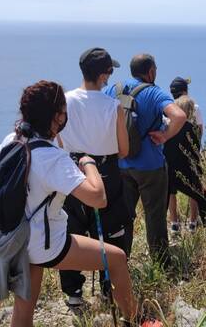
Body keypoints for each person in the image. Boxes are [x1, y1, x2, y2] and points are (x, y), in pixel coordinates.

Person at [0, 80, 138, 326]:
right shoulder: (52, 159)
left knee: (24, 309)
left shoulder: (14, 140)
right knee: (116, 258)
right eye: (63, 112)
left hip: (15, 237)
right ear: (56, 117)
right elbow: (98, 198)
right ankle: (134, 319)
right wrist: (88, 164)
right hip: (45, 244)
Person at [55, 47, 131, 308]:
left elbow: (58, 141)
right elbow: (124, 149)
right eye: (109, 72)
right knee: (111, 232)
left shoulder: (64, 101)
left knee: (72, 230)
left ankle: (74, 292)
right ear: (103, 75)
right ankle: (109, 287)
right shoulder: (113, 106)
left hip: (72, 171)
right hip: (106, 172)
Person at [104, 54, 187, 267]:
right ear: (150, 71)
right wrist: (166, 135)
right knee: (155, 215)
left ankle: (122, 260)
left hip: (121, 162)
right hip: (151, 165)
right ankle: (161, 262)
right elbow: (179, 116)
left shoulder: (114, 89)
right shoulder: (154, 92)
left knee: (124, 216)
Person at [163, 95, 206, 235]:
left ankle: (161, 235)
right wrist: (198, 172)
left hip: (168, 170)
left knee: (162, 203)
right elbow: (194, 153)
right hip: (186, 170)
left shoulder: (167, 126)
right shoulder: (192, 128)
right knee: (202, 197)